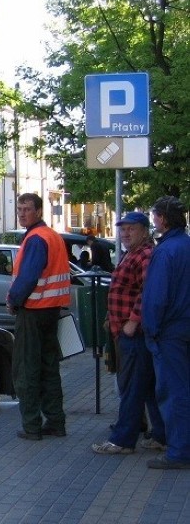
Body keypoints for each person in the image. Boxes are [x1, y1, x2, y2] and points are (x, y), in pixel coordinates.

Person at [92, 212, 165, 455]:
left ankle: (122, 440)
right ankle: (161, 435)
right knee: (146, 387)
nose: (125, 234)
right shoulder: (131, 253)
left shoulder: (144, 254)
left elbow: (148, 291)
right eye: (122, 230)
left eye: (131, 229)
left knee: (133, 387)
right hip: (126, 331)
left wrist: (132, 322)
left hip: (135, 333)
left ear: (144, 231)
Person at [6, 193, 71, 440]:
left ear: (39, 211)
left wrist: (13, 300)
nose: (22, 213)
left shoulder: (35, 239)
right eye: (19, 208)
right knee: (49, 367)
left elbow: (29, 277)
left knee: (26, 369)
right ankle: (56, 422)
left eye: (27, 209)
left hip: (33, 311)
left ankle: (31, 426)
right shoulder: (52, 236)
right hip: (51, 311)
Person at [141, 196, 190, 470]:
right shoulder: (186, 245)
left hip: (170, 331)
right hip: (184, 324)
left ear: (164, 219)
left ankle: (179, 451)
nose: (154, 220)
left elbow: (156, 298)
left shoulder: (166, 251)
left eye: (155, 215)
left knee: (173, 391)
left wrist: (151, 328)